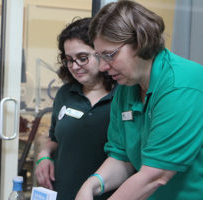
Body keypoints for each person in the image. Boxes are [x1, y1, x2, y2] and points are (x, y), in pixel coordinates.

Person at [75, 1, 203, 200]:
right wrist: (92, 184)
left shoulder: (181, 84)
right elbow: (122, 157)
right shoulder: (127, 88)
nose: (102, 67)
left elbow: (155, 175)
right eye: (99, 56)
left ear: (141, 42)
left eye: (109, 55)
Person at [35, 17, 116, 200]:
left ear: (102, 53)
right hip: (64, 191)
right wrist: (44, 154)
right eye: (69, 60)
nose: (74, 66)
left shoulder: (122, 95)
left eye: (82, 58)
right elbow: (55, 138)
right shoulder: (66, 93)